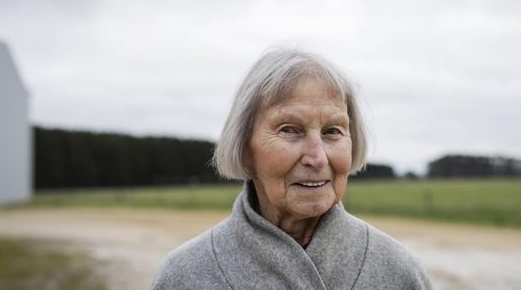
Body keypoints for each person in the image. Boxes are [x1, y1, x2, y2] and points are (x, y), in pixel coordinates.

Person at [151, 48, 433, 289]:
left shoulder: (398, 272)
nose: (317, 157)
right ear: (245, 149)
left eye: (332, 131)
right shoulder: (185, 275)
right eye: (289, 130)